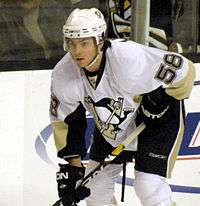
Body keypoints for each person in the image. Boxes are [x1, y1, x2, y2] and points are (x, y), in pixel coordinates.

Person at [49, 8, 195, 206]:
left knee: (148, 185)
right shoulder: (63, 73)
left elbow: (185, 71)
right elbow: (66, 122)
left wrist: (163, 99)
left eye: (84, 43)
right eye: (72, 44)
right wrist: (74, 169)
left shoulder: (128, 59)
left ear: (99, 40)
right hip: (112, 124)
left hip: (156, 123)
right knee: (95, 191)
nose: (77, 51)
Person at [0, 0, 66, 61]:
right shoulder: (4, 15)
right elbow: (6, 56)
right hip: (24, 69)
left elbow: (67, 44)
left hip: (56, 65)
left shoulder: (52, 7)